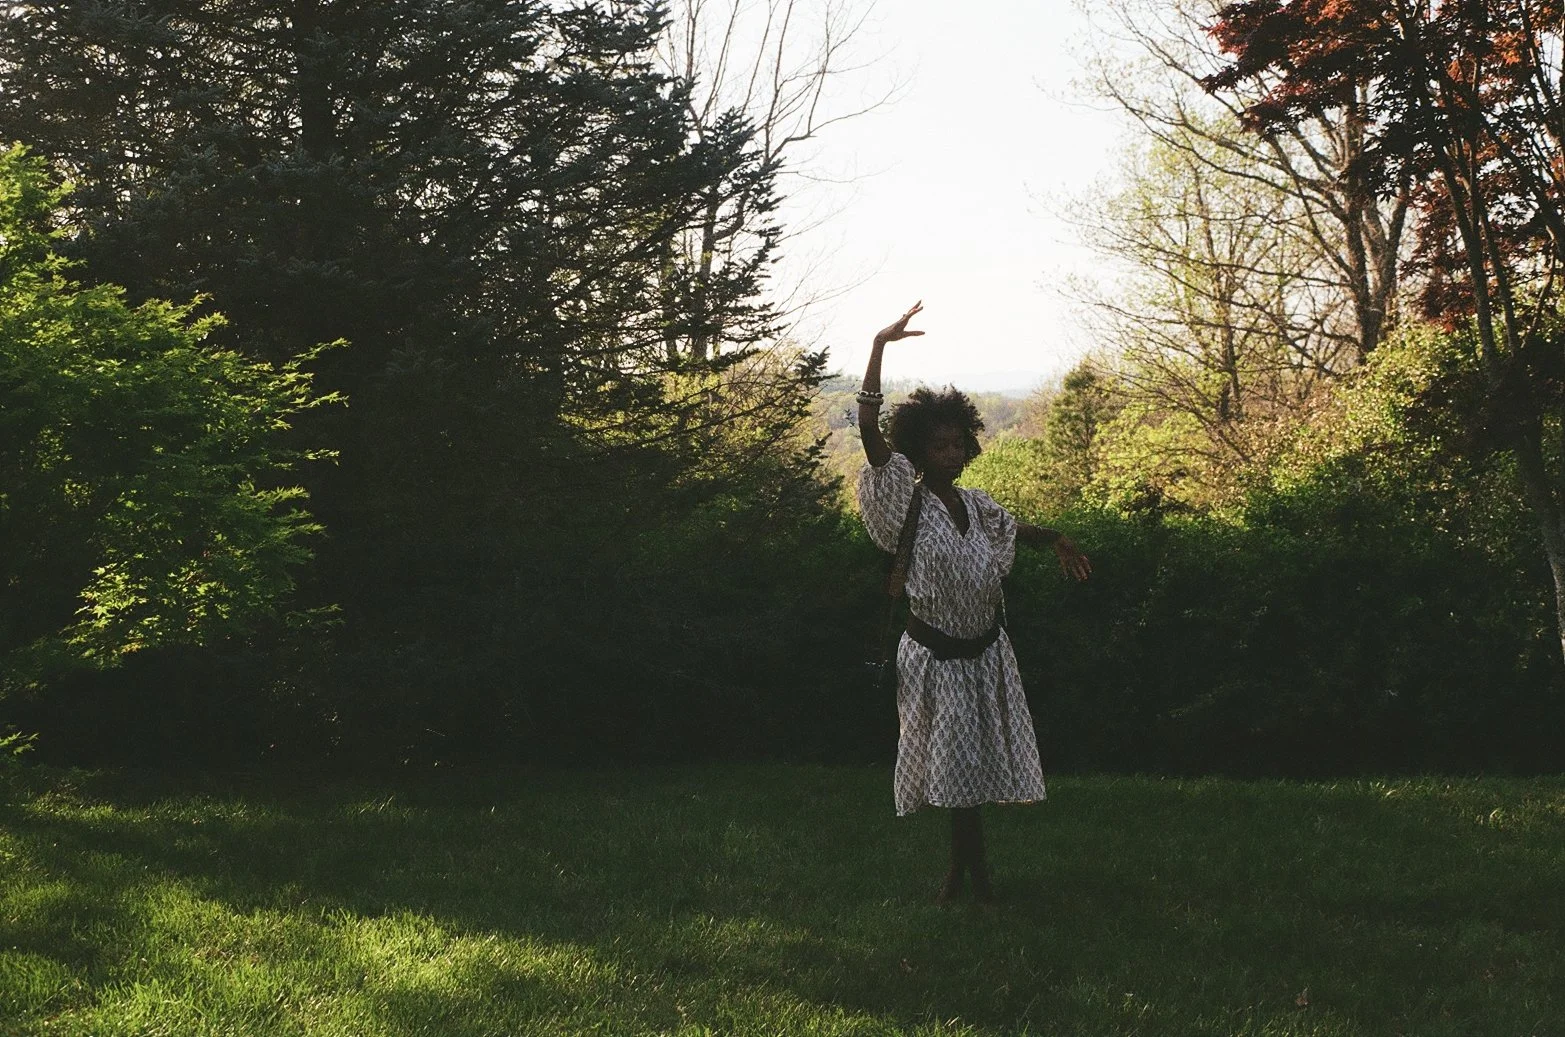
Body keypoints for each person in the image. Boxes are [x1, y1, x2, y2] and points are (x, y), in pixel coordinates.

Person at [856, 301, 1091, 903]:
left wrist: (1057, 538)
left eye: (959, 444)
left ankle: (967, 877)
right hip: (937, 658)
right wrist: (879, 349)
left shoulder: (978, 506)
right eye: (939, 446)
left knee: (971, 772)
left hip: (986, 655)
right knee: (957, 771)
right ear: (918, 449)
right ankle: (970, 880)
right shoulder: (901, 500)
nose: (952, 454)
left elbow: (1016, 528)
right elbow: (868, 435)